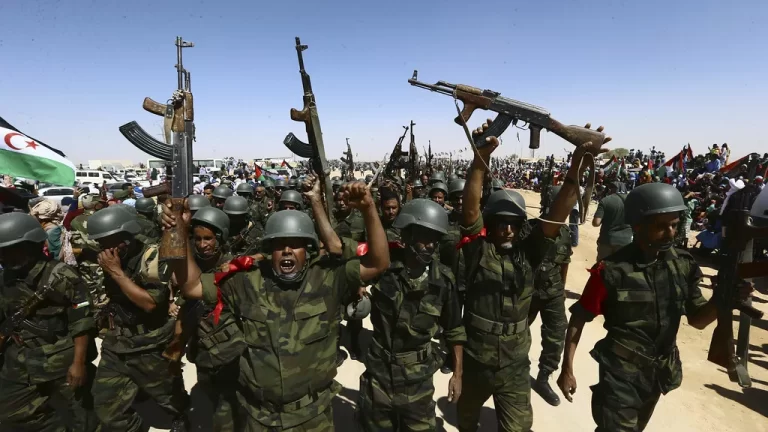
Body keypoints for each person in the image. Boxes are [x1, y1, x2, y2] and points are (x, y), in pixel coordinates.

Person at [166, 178, 389, 431]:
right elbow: (192, 286)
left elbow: (378, 263)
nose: (286, 251)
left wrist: (369, 208)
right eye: (279, 244)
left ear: (308, 249)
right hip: (257, 417)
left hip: (313, 416)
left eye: (295, 244)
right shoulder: (245, 281)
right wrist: (179, 231)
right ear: (268, 250)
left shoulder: (329, 278)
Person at [556, 182, 753, 431]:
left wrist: (722, 300)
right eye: (661, 226)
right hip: (620, 375)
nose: (670, 233)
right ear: (637, 226)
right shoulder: (611, 271)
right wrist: (567, 368)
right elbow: (578, 319)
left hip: (659, 373)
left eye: (674, 225)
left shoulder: (683, 265)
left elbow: (697, 321)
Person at [457, 119, 608, 432]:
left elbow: (558, 213)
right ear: (490, 225)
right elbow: (470, 211)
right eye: (500, 223)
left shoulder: (530, 252)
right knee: (467, 422)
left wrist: (577, 164)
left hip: (514, 365)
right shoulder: (478, 251)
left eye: (513, 223)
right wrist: (479, 159)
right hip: (475, 361)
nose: (507, 229)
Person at [356, 199, 465, 431]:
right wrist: (358, 286)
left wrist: (458, 374)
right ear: (407, 236)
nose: (430, 246)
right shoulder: (384, 270)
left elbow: (455, 330)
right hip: (379, 376)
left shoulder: (443, 282)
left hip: (418, 382)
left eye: (435, 240)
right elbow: (351, 269)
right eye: (424, 238)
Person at [87, 206, 189, 431]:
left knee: (170, 399)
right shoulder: (113, 259)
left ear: (126, 237)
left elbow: (150, 304)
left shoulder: (152, 256)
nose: (105, 249)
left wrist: (116, 272)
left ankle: (183, 419)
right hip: (117, 343)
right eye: (101, 243)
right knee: (106, 407)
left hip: (149, 345)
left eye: (109, 242)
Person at [0, 212, 99, 431]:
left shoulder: (61, 276)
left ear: (30, 245)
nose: (4, 257)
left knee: (81, 419)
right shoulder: (6, 278)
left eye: (10, 250)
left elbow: (82, 322)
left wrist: (78, 363)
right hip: (18, 361)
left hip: (60, 362)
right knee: (8, 416)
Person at [176, 207, 245, 432]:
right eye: (197, 239)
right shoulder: (192, 266)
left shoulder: (233, 267)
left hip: (230, 355)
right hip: (203, 351)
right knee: (210, 398)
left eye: (208, 239)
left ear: (220, 238)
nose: (202, 244)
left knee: (226, 415)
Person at [592, 181, 633, 261]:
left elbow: (596, 223)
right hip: (626, 242)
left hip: (607, 240)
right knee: (620, 266)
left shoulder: (606, 200)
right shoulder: (633, 201)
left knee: (602, 266)